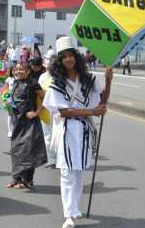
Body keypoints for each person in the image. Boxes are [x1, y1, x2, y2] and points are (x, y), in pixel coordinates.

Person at [43, 37, 113, 228]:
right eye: (64, 57)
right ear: (59, 60)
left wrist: (108, 81)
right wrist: (92, 112)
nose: (68, 59)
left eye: (70, 55)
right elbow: (63, 111)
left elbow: (101, 101)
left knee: (79, 171)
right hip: (66, 130)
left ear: (76, 56)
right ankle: (68, 215)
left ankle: (74, 209)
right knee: (67, 172)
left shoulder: (89, 79)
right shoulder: (57, 83)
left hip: (84, 130)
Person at [6, 62, 47, 189]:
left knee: (28, 151)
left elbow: (47, 97)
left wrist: (36, 112)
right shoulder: (15, 82)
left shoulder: (33, 83)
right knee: (17, 150)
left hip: (30, 123)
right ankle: (17, 179)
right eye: (16, 69)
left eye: (21, 69)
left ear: (28, 71)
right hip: (18, 121)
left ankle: (27, 180)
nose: (18, 72)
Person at [38, 50, 57, 168]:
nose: (48, 62)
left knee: (57, 135)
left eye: (50, 60)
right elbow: (38, 92)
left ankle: (59, 158)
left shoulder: (59, 76)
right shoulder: (42, 77)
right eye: (47, 60)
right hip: (44, 110)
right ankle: (51, 159)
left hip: (57, 111)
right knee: (47, 135)